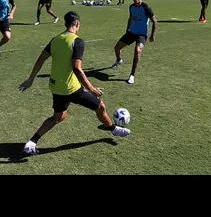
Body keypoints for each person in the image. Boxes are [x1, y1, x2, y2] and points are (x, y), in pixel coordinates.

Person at [18, 11, 132, 154]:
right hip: (72, 89)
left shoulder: (55, 39)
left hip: (56, 87)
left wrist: (31, 79)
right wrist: (91, 88)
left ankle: (32, 142)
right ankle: (113, 129)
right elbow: (77, 69)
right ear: (77, 24)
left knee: (58, 117)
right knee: (100, 106)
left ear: (66, 24)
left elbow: (41, 59)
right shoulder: (77, 41)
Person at [109, 0, 157, 85]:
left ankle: (132, 75)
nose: (134, 0)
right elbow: (130, 18)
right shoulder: (131, 7)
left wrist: (152, 35)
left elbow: (155, 21)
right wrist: (127, 30)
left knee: (137, 51)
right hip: (131, 32)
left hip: (142, 35)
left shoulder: (146, 7)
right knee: (117, 47)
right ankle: (119, 60)